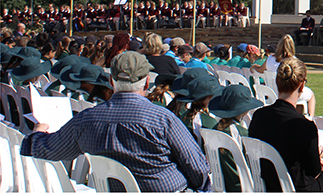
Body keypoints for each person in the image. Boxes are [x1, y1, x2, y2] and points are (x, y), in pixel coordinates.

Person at [19, 51, 211, 192]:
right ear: (146, 83)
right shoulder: (163, 119)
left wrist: (37, 133)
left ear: (111, 81)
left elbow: (47, 149)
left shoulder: (87, 119)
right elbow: (197, 169)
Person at [249, 57, 323, 192]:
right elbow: (314, 171)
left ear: (277, 81)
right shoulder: (304, 127)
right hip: (296, 188)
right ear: (302, 86)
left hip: (266, 186)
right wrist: (319, 159)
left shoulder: (258, 116)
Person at [208, 84, 264, 192]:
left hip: (221, 183)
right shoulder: (241, 133)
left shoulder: (215, 129)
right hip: (241, 184)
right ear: (244, 109)